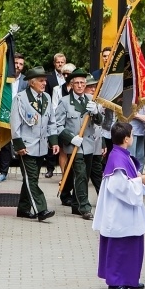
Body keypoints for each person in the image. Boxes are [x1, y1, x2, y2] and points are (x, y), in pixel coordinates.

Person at [92, 122, 145, 289]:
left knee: (132, 245)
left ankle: (129, 279)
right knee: (120, 247)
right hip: (119, 211)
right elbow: (119, 186)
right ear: (126, 139)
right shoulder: (117, 158)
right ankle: (116, 282)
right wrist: (140, 181)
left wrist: (138, 177)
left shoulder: (121, 154)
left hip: (126, 210)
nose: (133, 137)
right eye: (132, 135)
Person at [10, 66, 59, 222]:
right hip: (26, 146)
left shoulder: (46, 98)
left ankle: (23, 209)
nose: (44, 83)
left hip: (41, 146)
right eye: (41, 80)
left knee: (31, 179)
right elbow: (15, 123)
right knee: (31, 179)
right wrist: (18, 145)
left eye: (45, 80)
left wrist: (54, 141)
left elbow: (51, 121)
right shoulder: (20, 98)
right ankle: (41, 209)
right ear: (31, 82)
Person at [55, 70, 104, 220]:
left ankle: (76, 205)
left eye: (83, 83)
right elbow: (57, 125)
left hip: (89, 144)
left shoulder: (91, 99)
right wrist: (70, 138)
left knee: (84, 175)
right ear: (71, 85)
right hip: (75, 145)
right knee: (81, 174)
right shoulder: (64, 101)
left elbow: (99, 122)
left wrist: (96, 112)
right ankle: (85, 207)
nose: (80, 85)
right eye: (77, 83)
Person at [0, 53, 27, 183]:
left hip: (21, 117)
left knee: (22, 145)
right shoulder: (4, 78)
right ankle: (3, 173)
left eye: (20, 64)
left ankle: (26, 174)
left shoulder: (26, 81)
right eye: (16, 63)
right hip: (6, 115)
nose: (18, 66)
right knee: (5, 146)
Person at [43, 52, 68, 177]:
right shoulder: (49, 77)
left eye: (62, 62)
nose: (60, 64)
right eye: (57, 62)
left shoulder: (68, 76)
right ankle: (50, 168)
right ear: (54, 63)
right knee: (52, 140)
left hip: (66, 113)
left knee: (63, 145)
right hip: (53, 110)